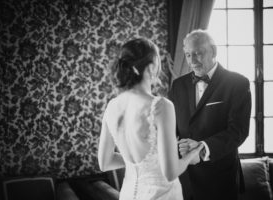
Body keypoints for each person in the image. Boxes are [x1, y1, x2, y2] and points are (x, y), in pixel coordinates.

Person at [98, 38, 203, 200]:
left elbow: (105, 163)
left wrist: (141, 163)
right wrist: (193, 154)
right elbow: (170, 173)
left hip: (128, 195)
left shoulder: (112, 106)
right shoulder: (161, 106)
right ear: (152, 67)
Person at [168, 29, 252, 200]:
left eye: (198, 53)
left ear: (214, 51)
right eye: (188, 55)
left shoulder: (238, 83)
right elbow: (171, 129)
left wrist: (201, 149)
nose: (193, 61)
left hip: (220, 180)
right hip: (184, 180)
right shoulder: (178, 86)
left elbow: (238, 131)